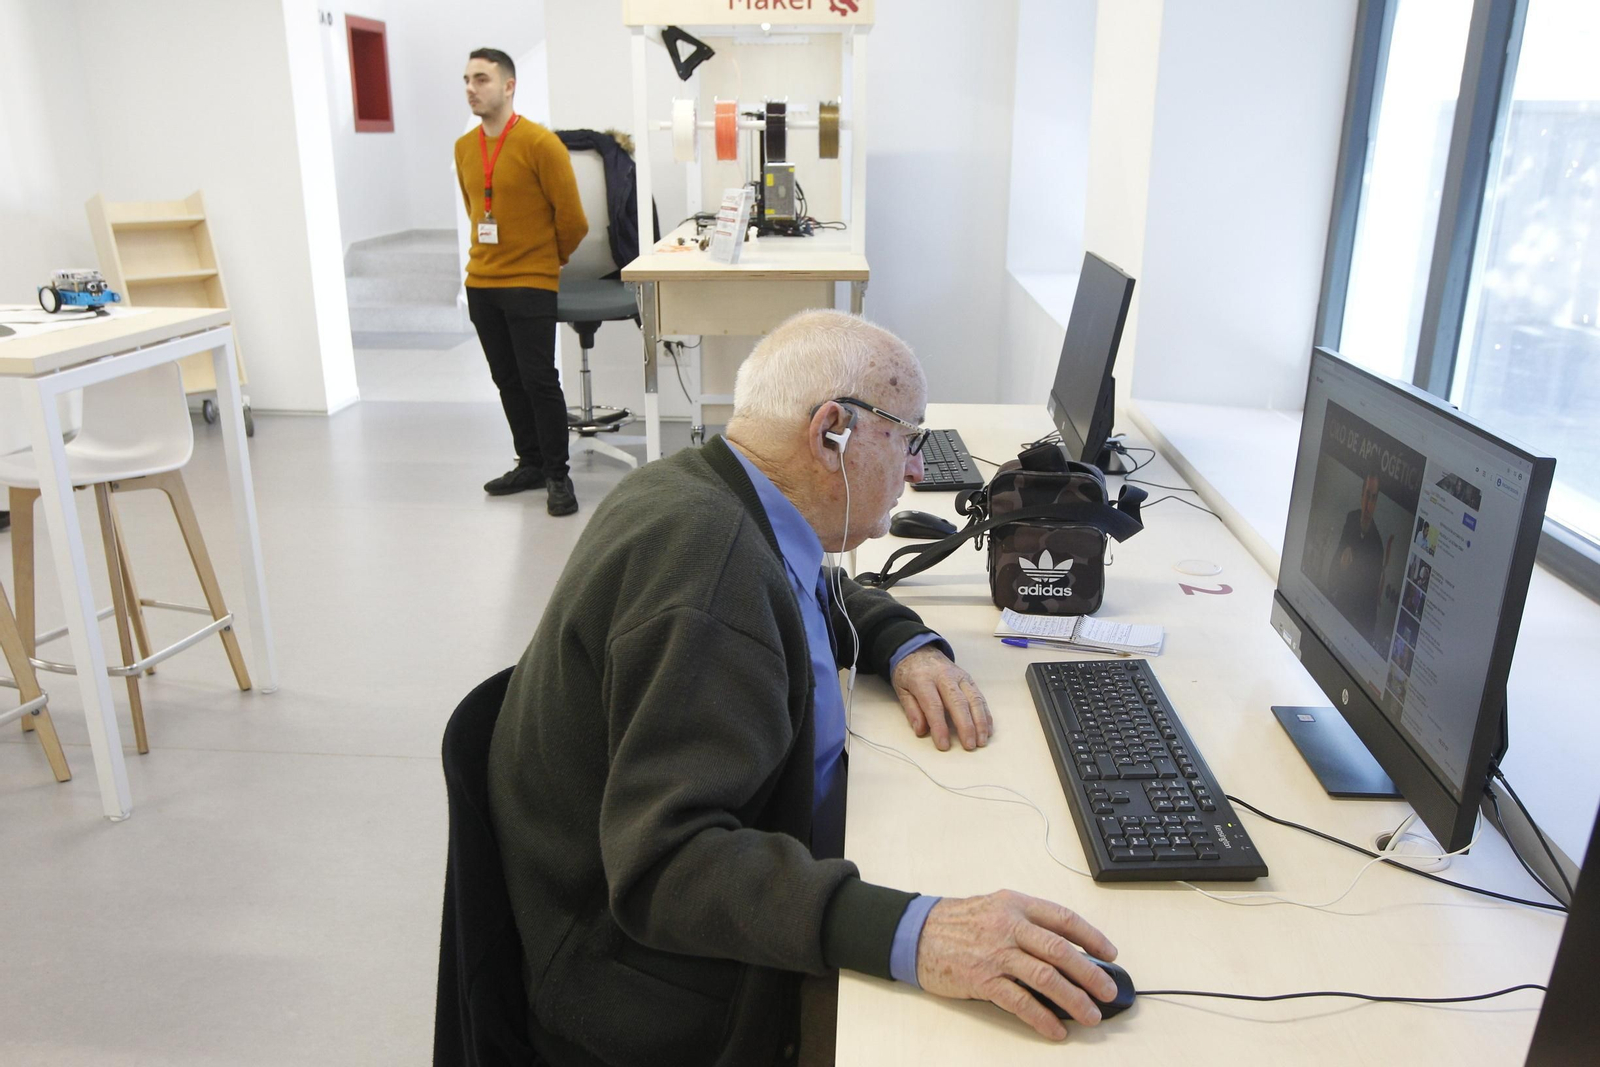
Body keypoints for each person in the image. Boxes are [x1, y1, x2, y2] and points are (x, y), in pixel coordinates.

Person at [488, 310, 1120, 1066]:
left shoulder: (707, 491)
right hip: (654, 997)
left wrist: (903, 642)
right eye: (909, 439)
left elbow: (808, 584)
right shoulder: (709, 574)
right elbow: (666, 867)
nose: (918, 470)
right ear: (832, 432)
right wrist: (916, 934)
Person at [456, 47, 588, 515]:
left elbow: (573, 220)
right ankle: (530, 461)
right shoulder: (463, 148)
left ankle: (558, 475)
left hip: (531, 282)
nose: (471, 88)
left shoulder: (540, 144)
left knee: (539, 380)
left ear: (509, 86)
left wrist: (546, 263)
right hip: (482, 283)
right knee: (506, 379)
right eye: (468, 79)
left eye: (482, 79)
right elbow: (477, 211)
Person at [1328, 470, 1392, 646]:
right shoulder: (1352, 519)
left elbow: (1369, 607)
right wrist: (1341, 567)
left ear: (1376, 502)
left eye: (1373, 498)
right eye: (1366, 496)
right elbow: (1331, 577)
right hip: (1336, 613)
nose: (1367, 505)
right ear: (1361, 495)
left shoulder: (1377, 547)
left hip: (1352, 627)